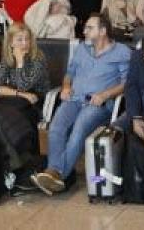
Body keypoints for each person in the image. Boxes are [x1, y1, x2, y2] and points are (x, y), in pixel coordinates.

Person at [31, 13, 131, 195]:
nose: (84, 31)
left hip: (98, 103)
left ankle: (57, 173)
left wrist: (105, 94)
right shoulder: (82, 48)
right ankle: (54, 174)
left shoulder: (122, 52)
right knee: (56, 127)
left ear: (103, 31)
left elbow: (127, 83)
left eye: (89, 28)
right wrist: (66, 87)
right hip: (74, 99)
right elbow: (70, 72)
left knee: (79, 129)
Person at [0, 22, 49, 188]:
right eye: (19, 40)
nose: (24, 43)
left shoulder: (38, 58)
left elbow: (25, 84)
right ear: (10, 42)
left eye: (27, 39)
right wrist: (19, 93)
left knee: (2, 114)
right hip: (19, 98)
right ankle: (14, 162)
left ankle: (15, 165)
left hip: (36, 101)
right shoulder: (7, 57)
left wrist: (19, 62)